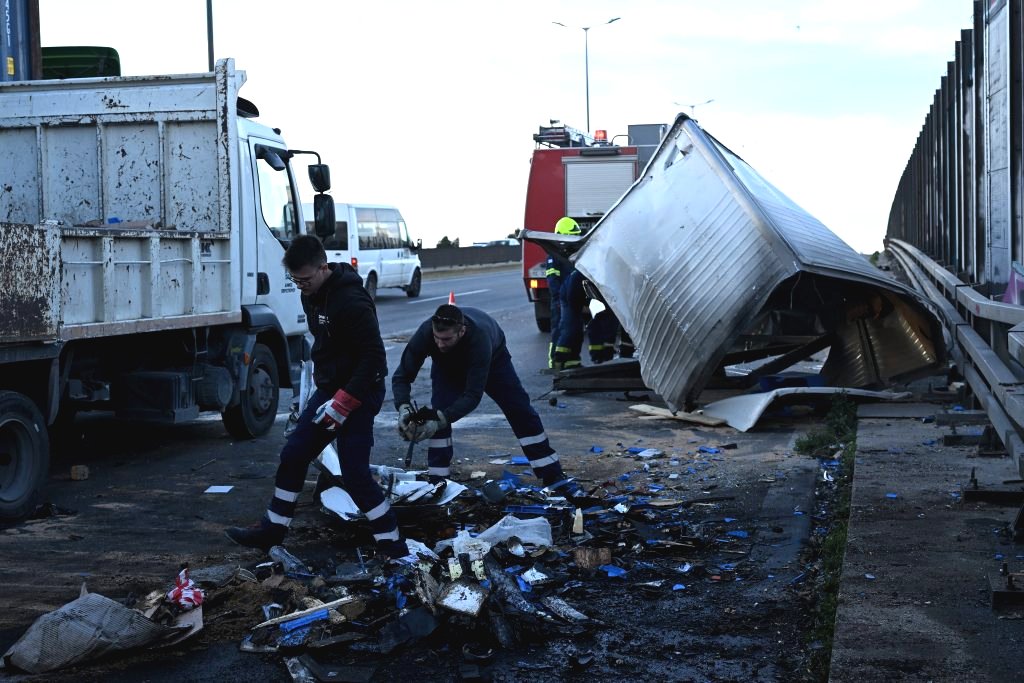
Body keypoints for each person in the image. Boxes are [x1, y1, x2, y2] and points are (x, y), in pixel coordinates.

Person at [226, 235, 407, 558]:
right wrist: (316, 385)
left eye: (306, 279)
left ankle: (393, 545)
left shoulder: (352, 301)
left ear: (324, 267)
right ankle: (273, 529)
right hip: (329, 390)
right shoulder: (312, 294)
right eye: (295, 281)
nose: (301, 286)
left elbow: (374, 358)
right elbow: (325, 344)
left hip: (360, 392)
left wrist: (345, 401)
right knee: (294, 454)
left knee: (354, 473)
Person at [391, 304, 582, 497]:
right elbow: (402, 376)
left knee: (519, 410)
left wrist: (440, 419)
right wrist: (403, 408)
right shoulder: (426, 332)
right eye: (437, 338)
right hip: (447, 367)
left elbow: (473, 395)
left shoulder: (479, 339)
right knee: (440, 411)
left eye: (446, 339)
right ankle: (438, 479)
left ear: (462, 331)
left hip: (493, 362)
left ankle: (551, 473)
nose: (440, 344)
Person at [545, 216, 581, 367]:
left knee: (575, 330)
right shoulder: (555, 257)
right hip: (561, 300)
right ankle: (555, 362)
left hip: (572, 299)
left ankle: (572, 361)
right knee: (560, 331)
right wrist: (560, 299)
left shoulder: (572, 256)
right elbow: (553, 281)